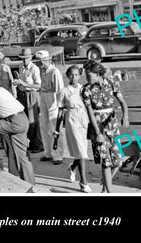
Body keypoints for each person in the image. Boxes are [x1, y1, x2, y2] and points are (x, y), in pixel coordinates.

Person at [80, 60, 129, 193]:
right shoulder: (86, 90)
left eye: (89, 75)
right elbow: (90, 112)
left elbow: (122, 101)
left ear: (98, 74)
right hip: (98, 127)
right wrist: (97, 133)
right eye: (86, 75)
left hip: (112, 126)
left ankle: (105, 184)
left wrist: (125, 115)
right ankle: (109, 192)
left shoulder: (112, 83)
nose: (87, 77)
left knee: (118, 161)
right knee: (105, 162)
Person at [57, 65, 91, 193]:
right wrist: (56, 129)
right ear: (67, 76)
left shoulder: (84, 89)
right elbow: (60, 112)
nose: (74, 77)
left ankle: (73, 167)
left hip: (84, 119)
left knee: (81, 149)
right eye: (71, 74)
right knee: (81, 150)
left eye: (76, 74)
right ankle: (83, 182)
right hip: (71, 120)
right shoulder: (63, 92)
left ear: (80, 75)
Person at [35, 50, 64, 165]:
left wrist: (59, 105)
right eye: (39, 62)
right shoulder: (42, 71)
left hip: (53, 98)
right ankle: (48, 152)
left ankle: (57, 154)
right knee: (43, 125)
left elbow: (59, 90)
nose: (40, 64)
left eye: (42, 62)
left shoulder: (54, 72)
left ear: (47, 60)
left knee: (54, 127)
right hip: (44, 96)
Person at [14, 48, 43, 153]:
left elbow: (38, 85)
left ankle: (38, 144)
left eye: (27, 58)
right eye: (23, 58)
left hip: (31, 94)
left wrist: (25, 84)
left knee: (33, 121)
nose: (25, 60)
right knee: (25, 120)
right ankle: (32, 142)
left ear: (31, 58)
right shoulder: (21, 67)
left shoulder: (34, 68)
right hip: (22, 95)